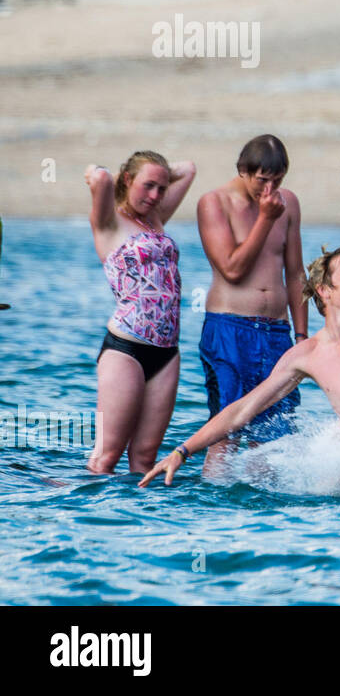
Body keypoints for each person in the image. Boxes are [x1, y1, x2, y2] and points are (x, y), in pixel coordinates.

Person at [139, 248, 340, 487]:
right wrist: (181, 451)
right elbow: (242, 410)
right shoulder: (307, 354)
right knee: (324, 495)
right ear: (324, 291)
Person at [195, 135, 306, 472]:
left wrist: (301, 338)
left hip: (276, 333)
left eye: (278, 179)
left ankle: (264, 516)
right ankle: (213, 506)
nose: (270, 188)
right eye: (262, 179)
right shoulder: (213, 202)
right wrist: (265, 219)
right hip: (230, 327)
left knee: (273, 434)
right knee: (226, 430)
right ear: (243, 171)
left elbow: (296, 274)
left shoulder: (289, 203)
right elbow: (232, 268)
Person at [84, 152, 196, 473]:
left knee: (146, 459)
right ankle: (94, 518)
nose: (156, 196)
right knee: (107, 455)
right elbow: (101, 177)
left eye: (162, 188)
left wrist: (158, 172)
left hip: (167, 353)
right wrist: (94, 171)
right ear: (128, 179)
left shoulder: (154, 216)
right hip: (126, 349)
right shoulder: (108, 221)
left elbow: (188, 168)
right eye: (148, 185)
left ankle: (139, 521)